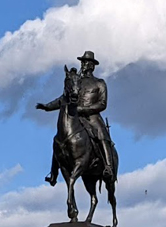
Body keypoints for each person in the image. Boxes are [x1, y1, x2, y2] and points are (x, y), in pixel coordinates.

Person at [36, 51, 114, 185]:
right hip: (76, 118)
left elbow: (102, 104)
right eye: (82, 62)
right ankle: (54, 173)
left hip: (93, 118)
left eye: (85, 62)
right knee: (59, 139)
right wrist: (47, 107)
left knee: (102, 136)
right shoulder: (77, 81)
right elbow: (64, 98)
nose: (83, 65)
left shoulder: (99, 83)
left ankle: (108, 167)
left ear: (92, 66)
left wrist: (83, 109)